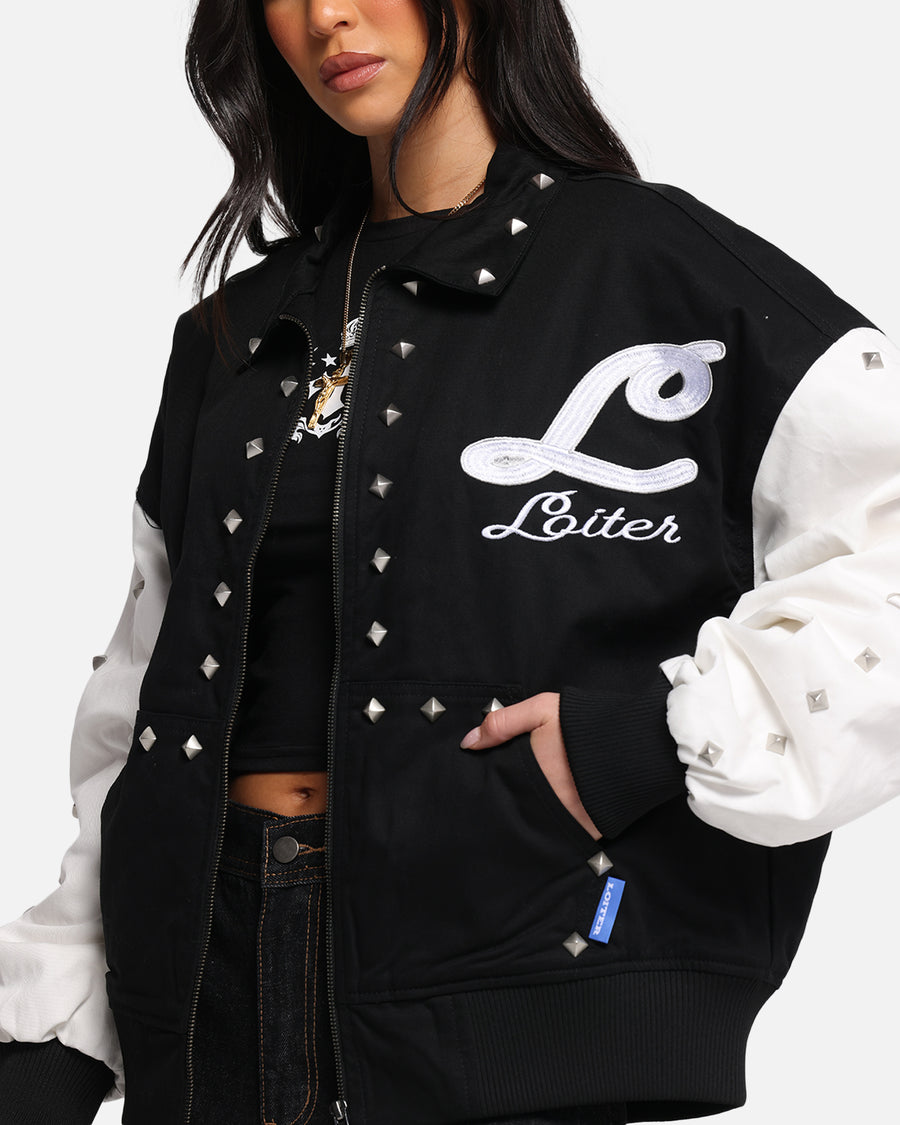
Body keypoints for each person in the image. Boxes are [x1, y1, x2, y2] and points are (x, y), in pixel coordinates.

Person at [1, 0, 898, 1123]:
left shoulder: (655, 271)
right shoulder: (234, 333)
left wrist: (642, 742)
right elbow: (147, 696)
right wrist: (58, 1028)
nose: (327, 15)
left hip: (519, 1001)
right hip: (208, 1001)